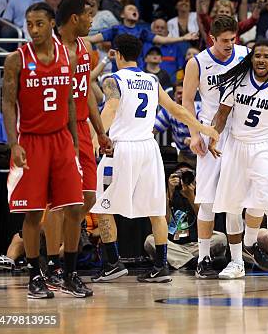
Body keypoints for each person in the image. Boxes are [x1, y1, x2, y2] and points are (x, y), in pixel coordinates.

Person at [90, 33, 218, 283]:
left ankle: (113, 263)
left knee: (103, 207)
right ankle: (161, 266)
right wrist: (204, 129)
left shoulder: (112, 80)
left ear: (115, 54)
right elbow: (176, 109)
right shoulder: (151, 79)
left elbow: (112, 109)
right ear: (138, 55)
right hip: (149, 149)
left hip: (121, 148)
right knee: (156, 210)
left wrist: (97, 139)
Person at [2, 2, 91, 298]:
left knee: (76, 207)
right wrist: (13, 143)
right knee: (32, 213)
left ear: (52, 23)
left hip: (62, 139)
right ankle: (34, 276)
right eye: (30, 24)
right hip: (31, 140)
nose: (34, 29)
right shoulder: (17, 59)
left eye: (40, 23)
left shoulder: (70, 55)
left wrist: (75, 143)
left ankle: (70, 273)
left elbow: (68, 101)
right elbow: (7, 102)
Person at [209, 39, 268, 281]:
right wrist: (213, 136)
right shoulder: (237, 81)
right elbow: (222, 114)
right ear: (251, 59)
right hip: (236, 145)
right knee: (232, 206)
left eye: (266, 56)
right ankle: (237, 262)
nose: (261, 60)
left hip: (267, 147)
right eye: (257, 56)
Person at [41, 0, 112, 291]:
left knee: (88, 199)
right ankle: (56, 266)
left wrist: (101, 131)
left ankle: (61, 250)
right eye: (88, 15)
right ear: (74, 19)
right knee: (60, 202)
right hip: (58, 130)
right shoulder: (49, 52)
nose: (91, 20)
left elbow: (86, 97)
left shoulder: (84, 48)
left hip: (82, 128)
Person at [181, 15, 250, 279]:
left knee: (237, 200)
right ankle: (204, 258)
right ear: (212, 39)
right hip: (211, 134)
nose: (230, 45)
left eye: (233, 39)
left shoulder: (245, 55)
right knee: (207, 199)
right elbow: (187, 101)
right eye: (224, 41)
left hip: (240, 134)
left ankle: (237, 259)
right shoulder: (197, 63)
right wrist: (194, 133)